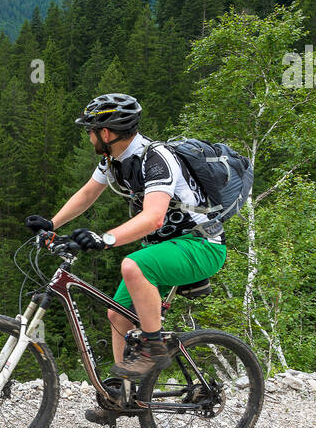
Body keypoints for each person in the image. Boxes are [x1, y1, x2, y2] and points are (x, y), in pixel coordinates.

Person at [25, 92, 228, 390]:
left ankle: (154, 348)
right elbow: (87, 194)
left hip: (201, 245)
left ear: (106, 133)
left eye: (90, 131)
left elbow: (154, 218)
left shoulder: (156, 159)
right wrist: (52, 224)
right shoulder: (115, 160)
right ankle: (122, 391)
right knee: (118, 316)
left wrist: (103, 238)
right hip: (165, 249)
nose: (89, 137)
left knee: (133, 266)